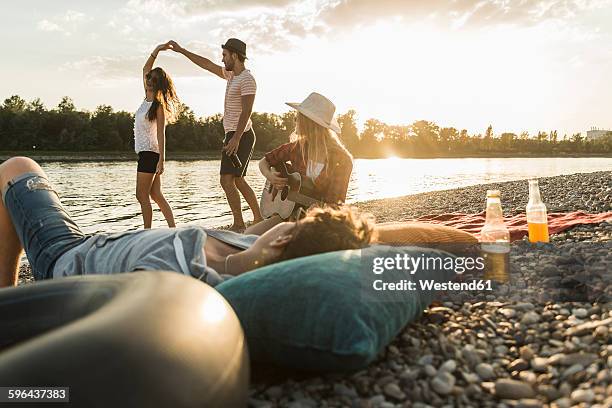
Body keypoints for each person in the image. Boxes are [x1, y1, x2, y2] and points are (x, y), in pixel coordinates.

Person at [0, 157, 374, 288]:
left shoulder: (186, 278)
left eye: (289, 226)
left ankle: (8, 300)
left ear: (282, 241)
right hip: (95, 244)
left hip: (66, 259)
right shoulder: (250, 250)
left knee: (18, 169)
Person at [167, 38, 262, 232]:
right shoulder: (231, 76)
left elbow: (247, 111)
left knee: (226, 180)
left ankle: (239, 223)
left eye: (225, 55)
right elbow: (207, 65)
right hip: (233, 133)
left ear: (235, 56)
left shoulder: (247, 79)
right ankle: (258, 218)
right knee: (237, 180)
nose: (222, 59)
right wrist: (182, 50)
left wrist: (235, 139)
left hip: (241, 134)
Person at [246, 92, 353, 235]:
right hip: (288, 217)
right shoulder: (298, 148)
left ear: (308, 122)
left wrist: (313, 211)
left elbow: (336, 207)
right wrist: (271, 177)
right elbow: (265, 161)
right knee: (249, 235)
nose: (295, 120)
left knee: (274, 243)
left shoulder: (342, 160)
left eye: (298, 117)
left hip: (319, 224)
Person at [135, 43, 178, 229]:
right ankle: (173, 228)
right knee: (156, 195)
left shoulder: (158, 106)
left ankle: (146, 231)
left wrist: (162, 160)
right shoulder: (146, 98)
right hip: (145, 152)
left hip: (150, 153)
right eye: (149, 77)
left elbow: (161, 134)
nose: (149, 78)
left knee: (141, 195)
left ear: (157, 83)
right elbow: (145, 68)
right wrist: (158, 49)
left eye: (153, 78)